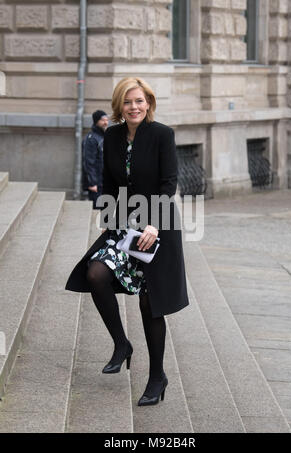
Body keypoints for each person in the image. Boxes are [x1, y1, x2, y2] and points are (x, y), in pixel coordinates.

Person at [65, 77, 189, 406]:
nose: (134, 107)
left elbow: (169, 183)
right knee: (96, 273)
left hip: (156, 226)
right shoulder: (112, 135)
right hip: (123, 226)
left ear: (148, 103)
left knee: (150, 302)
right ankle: (122, 343)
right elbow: (108, 182)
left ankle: (157, 376)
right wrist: (107, 220)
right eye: (128, 102)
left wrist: (153, 224)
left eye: (140, 101)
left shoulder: (162, 135)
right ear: (119, 106)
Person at [82, 110, 109, 209]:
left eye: (107, 120)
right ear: (96, 121)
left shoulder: (104, 137)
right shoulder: (91, 139)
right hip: (96, 184)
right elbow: (88, 162)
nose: (106, 122)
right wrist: (92, 183)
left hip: (105, 182)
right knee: (98, 213)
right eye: (102, 120)